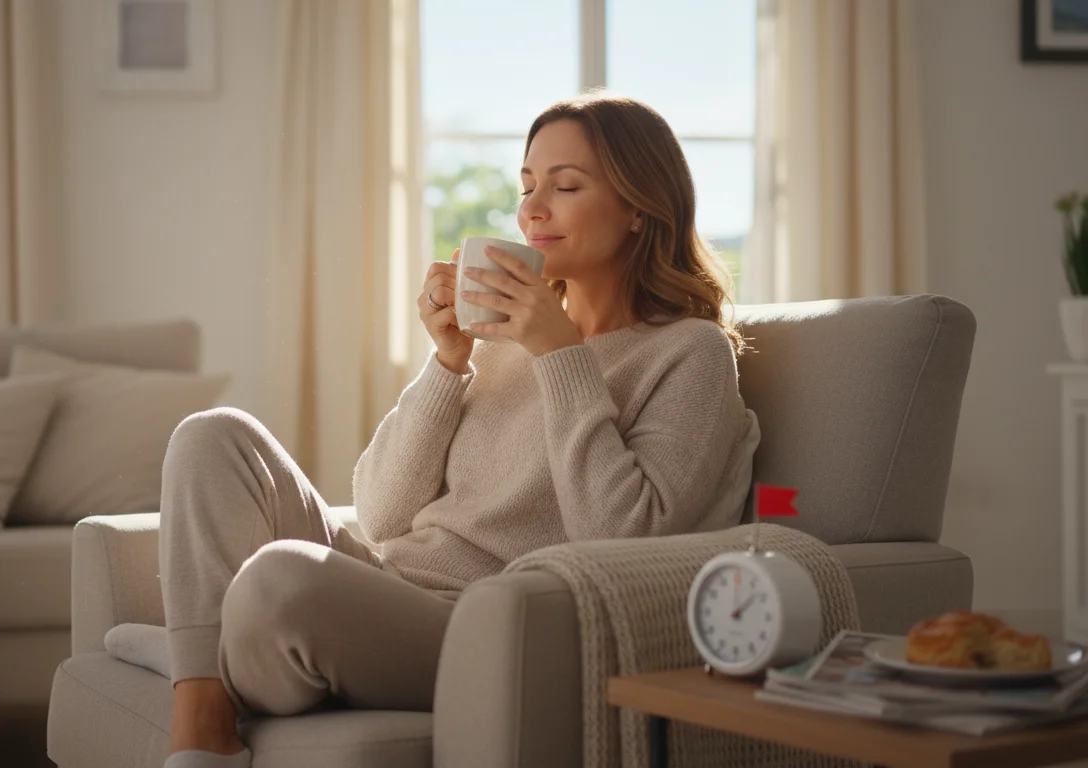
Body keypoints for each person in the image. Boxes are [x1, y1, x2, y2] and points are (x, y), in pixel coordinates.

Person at [158, 90, 761, 768]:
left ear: (638, 210)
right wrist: (448, 364)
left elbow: (624, 540)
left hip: (491, 626)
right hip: (390, 590)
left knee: (275, 583)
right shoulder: (500, 342)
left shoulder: (688, 353)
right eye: (527, 185)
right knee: (212, 436)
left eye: (565, 186)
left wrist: (561, 356)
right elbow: (383, 516)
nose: (532, 209)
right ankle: (208, 706)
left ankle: (206, 653)